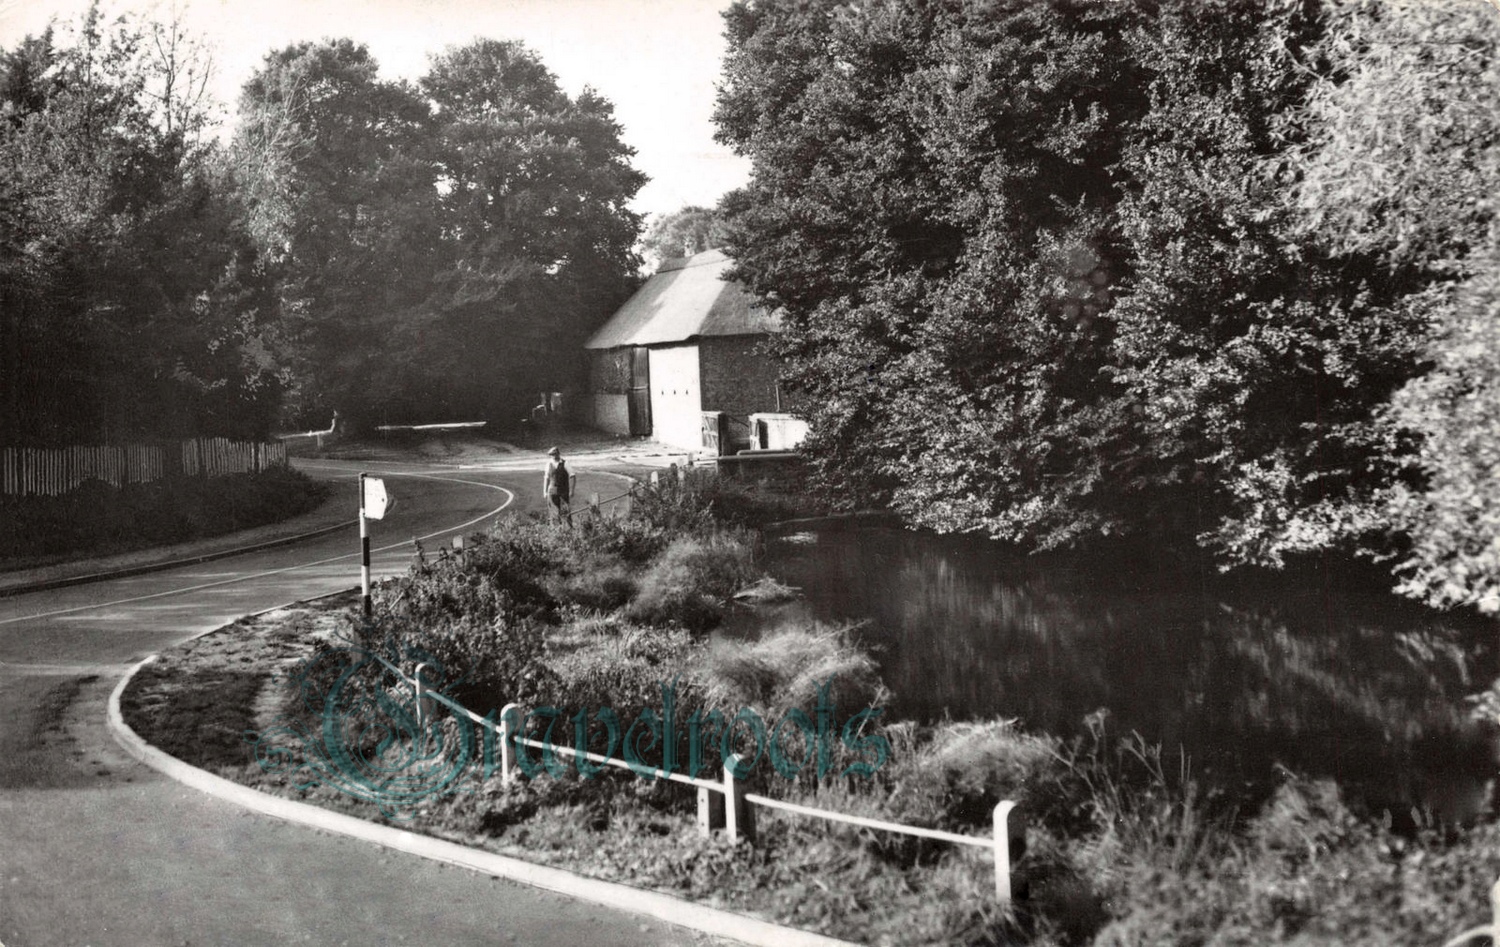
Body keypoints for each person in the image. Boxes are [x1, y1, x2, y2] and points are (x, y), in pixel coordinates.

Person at [543, 446, 572, 524]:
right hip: (552, 490)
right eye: (552, 455)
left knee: (565, 510)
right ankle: (556, 530)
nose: (553, 456)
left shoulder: (565, 463)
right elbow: (546, 478)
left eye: (555, 454)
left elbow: (572, 476)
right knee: (553, 512)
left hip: (564, 490)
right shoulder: (549, 464)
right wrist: (545, 492)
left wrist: (571, 491)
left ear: (559, 454)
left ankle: (568, 528)